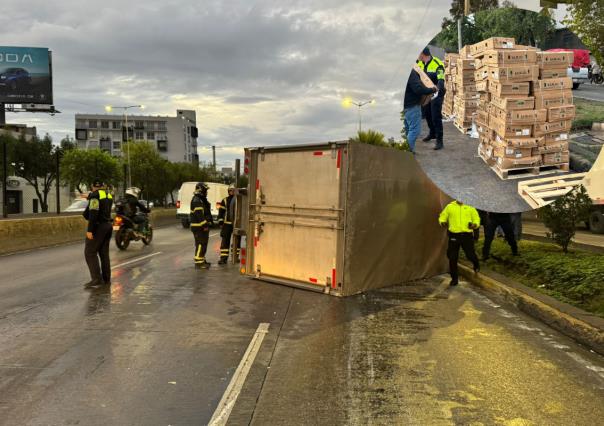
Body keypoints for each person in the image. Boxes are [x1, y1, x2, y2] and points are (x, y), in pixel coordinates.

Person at [438, 199, 480, 286]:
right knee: (452, 258)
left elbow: (476, 218)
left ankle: (476, 263)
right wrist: (442, 222)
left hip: (467, 235)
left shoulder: (470, 206)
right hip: (454, 236)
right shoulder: (450, 207)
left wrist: (474, 225)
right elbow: (442, 216)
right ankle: (454, 279)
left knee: (470, 255)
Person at [83, 179, 114, 288]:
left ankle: (96, 279)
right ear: (102, 185)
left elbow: (93, 214)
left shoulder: (95, 196)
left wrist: (90, 230)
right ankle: (106, 278)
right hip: (108, 226)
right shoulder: (108, 195)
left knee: (90, 252)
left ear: (92, 186)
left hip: (98, 227)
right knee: (104, 253)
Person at [417, 47, 446, 150]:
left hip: (436, 93)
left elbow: (441, 80)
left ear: (422, 53)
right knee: (427, 115)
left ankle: (439, 140)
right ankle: (432, 133)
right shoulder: (418, 64)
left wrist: (437, 89)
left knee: (435, 116)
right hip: (426, 94)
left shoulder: (438, 64)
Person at [403, 68, 438, 153]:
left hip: (404, 105)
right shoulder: (410, 72)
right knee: (415, 130)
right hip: (411, 106)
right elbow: (418, 89)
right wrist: (433, 89)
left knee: (407, 129)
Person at [190, 182, 213, 269]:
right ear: (201, 190)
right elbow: (199, 215)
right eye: (205, 190)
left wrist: (209, 222)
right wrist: (205, 225)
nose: (206, 192)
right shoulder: (197, 200)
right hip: (198, 227)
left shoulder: (200, 199)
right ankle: (199, 262)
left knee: (203, 244)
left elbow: (205, 213)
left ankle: (202, 259)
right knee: (200, 244)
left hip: (200, 226)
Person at [217, 185, 236, 264]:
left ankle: (235, 257)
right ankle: (223, 258)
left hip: (236, 224)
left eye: (233, 190)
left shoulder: (239, 200)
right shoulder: (225, 200)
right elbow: (221, 212)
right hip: (227, 224)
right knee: (225, 241)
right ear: (228, 191)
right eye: (230, 190)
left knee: (236, 241)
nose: (232, 192)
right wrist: (220, 221)